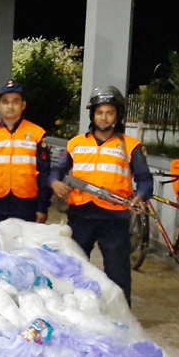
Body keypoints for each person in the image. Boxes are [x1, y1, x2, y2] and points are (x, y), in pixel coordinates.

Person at [49, 86, 153, 306]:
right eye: (99, 112)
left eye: (109, 112)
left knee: (118, 274)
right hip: (80, 216)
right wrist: (55, 182)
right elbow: (57, 171)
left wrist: (141, 196)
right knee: (74, 269)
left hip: (114, 220)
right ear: (92, 114)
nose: (104, 118)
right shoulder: (76, 144)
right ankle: (72, 310)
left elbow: (144, 179)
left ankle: (122, 319)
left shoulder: (130, 146)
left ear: (117, 115)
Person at [0, 80, 51, 225]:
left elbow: (44, 173)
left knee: (24, 245)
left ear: (23, 105)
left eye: (15, 101)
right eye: (5, 102)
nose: (10, 106)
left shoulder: (37, 134)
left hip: (26, 202)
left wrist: (42, 207)